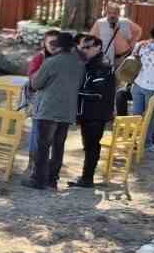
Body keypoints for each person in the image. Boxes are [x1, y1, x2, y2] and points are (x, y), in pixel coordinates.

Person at [26, 31, 86, 189]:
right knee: (59, 147)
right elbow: (79, 84)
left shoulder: (51, 62)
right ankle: (53, 179)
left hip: (49, 109)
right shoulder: (79, 64)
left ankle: (39, 180)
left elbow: (36, 84)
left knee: (43, 146)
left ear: (58, 46)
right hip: (67, 111)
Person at [70, 33, 116, 187]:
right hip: (88, 113)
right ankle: (86, 176)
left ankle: (87, 178)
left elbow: (96, 92)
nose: (84, 50)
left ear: (98, 47)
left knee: (92, 145)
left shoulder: (102, 65)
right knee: (88, 144)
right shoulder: (90, 63)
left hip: (96, 113)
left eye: (88, 47)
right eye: (82, 47)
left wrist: (74, 91)